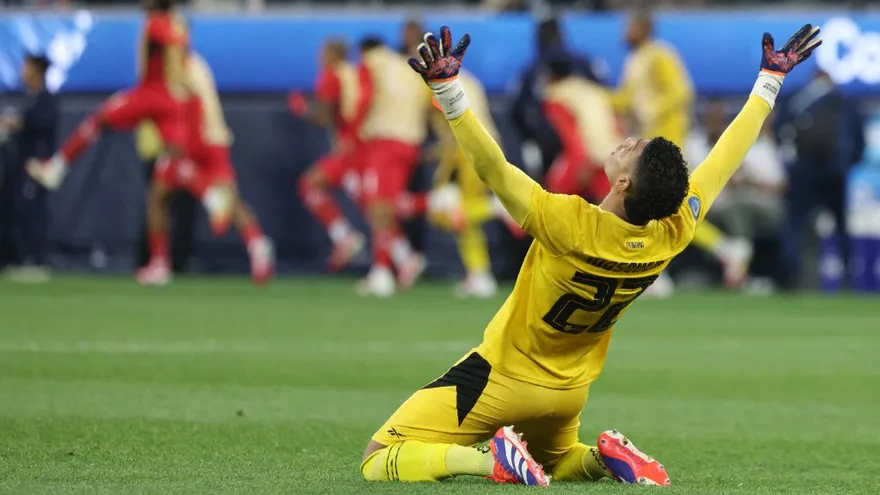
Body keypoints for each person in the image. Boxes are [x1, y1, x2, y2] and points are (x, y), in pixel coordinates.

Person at [360, 24, 820, 486]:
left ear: (624, 184)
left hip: (503, 378)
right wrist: (770, 80)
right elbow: (727, 155)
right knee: (558, 462)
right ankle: (606, 461)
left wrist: (448, 93)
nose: (626, 142)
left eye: (632, 150)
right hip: (570, 390)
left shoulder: (568, 222)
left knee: (378, 456)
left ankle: (488, 461)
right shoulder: (675, 227)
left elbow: (492, 168)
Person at [612, 11, 752, 292]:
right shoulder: (634, 60)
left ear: (643, 26)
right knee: (669, 210)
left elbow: (682, 91)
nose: (624, 31)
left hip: (668, 141)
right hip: (648, 143)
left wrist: (654, 111)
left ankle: (656, 272)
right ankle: (723, 250)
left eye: (630, 25)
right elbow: (624, 99)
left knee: (658, 206)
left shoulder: (660, 55)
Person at [137, 52, 275, 286]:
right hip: (214, 139)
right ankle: (258, 245)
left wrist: (180, 145)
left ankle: (160, 263)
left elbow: (190, 105)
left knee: (162, 196)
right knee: (220, 200)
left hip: (195, 141)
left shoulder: (178, 67)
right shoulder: (197, 64)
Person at [26, 0, 190, 192]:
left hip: (152, 95)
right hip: (166, 99)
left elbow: (175, 39)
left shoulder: (157, 21)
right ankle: (209, 192)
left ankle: (58, 166)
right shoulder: (167, 21)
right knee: (178, 156)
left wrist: (176, 33)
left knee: (98, 119)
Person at [394, 68, 504, 298]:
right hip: (486, 145)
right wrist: (436, 152)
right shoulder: (470, 79)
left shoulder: (432, 84)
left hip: (465, 150)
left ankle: (495, 208)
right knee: (462, 219)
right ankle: (480, 275)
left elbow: (435, 111)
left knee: (442, 210)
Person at [773, 70, 865, 290]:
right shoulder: (843, 101)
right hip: (835, 171)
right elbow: (859, 141)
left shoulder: (797, 99)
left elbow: (779, 132)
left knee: (795, 223)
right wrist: (844, 164)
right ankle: (848, 279)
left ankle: (789, 277)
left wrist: (792, 166)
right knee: (841, 225)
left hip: (804, 170)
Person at [356, 37, 430, 297]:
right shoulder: (413, 71)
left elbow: (362, 98)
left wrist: (355, 129)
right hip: (411, 142)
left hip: (385, 139)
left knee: (378, 205)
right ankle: (403, 256)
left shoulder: (374, 61)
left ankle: (382, 270)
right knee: (389, 203)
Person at [687, 101, 785, 287]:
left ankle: (739, 257)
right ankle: (730, 254)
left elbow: (778, 184)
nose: (715, 124)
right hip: (706, 204)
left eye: (719, 120)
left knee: (738, 205)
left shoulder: (749, 145)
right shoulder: (695, 143)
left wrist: (746, 179)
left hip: (750, 202)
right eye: (711, 120)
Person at [293, 39, 367, 272]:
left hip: (350, 151)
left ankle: (344, 236)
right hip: (366, 145)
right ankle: (403, 255)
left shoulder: (332, 75)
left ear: (334, 54)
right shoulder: (355, 73)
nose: (319, 58)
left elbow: (324, 117)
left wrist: (303, 109)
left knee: (310, 184)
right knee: (372, 205)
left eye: (323, 53)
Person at [511, 16, 603, 177]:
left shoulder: (581, 66)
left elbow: (517, 112)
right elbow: (517, 111)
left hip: (578, 145)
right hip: (566, 146)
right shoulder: (533, 73)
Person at [0, 54, 59, 282]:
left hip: (36, 166)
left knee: (33, 212)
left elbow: (38, 123)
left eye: (27, 67)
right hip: (20, 166)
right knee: (18, 212)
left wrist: (14, 123)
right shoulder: (29, 99)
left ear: (37, 70)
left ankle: (36, 260)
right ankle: (20, 258)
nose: (23, 71)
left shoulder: (45, 101)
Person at [542, 57, 617, 204]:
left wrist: (581, 164)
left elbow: (570, 135)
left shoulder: (556, 97)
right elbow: (615, 125)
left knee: (547, 202)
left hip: (584, 161)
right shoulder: (595, 91)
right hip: (613, 160)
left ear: (551, 77)